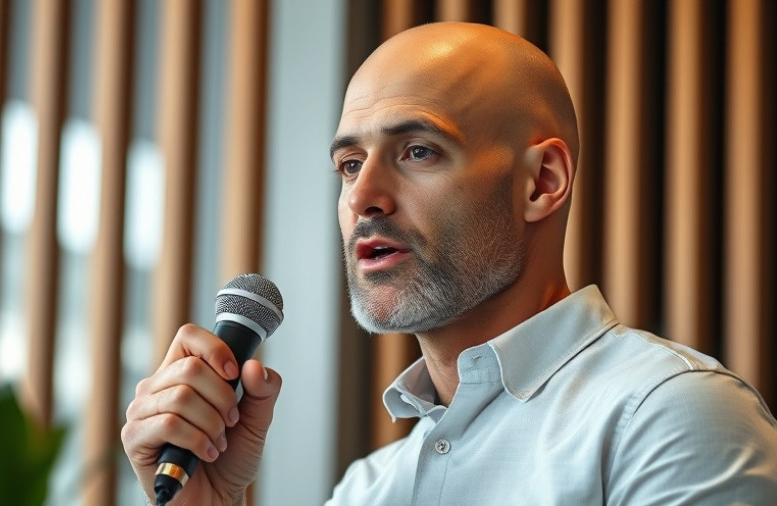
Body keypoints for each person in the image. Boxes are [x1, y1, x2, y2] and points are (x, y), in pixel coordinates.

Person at [121, 22, 777, 505]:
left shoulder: (669, 416)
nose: (363, 196)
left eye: (418, 151)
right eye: (350, 164)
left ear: (541, 182)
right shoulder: (365, 490)